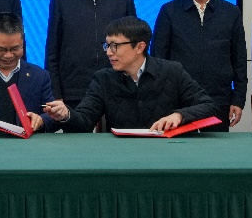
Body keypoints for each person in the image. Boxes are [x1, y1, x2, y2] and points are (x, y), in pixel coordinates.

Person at [45, 16, 215, 132]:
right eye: (107, 45)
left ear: (140, 47)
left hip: (167, 151)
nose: (109, 52)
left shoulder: (172, 71)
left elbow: (209, 106)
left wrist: (179, 115)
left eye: (115, 46)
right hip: (121, 155)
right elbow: (84, 121)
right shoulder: (103, 79)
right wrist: (66, 115)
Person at [151, 0, 247, 128]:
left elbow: (239, 60)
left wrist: (238, 99)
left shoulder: (230, 12)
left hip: (219, 99)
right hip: (178, 100)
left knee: (215, 145)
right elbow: (158, 57)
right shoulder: (169, 11)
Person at [45, 0, 136, 105]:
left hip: (117, 87)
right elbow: (52, 50)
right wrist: (55, 93)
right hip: (74, 90)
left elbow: (133, 42)